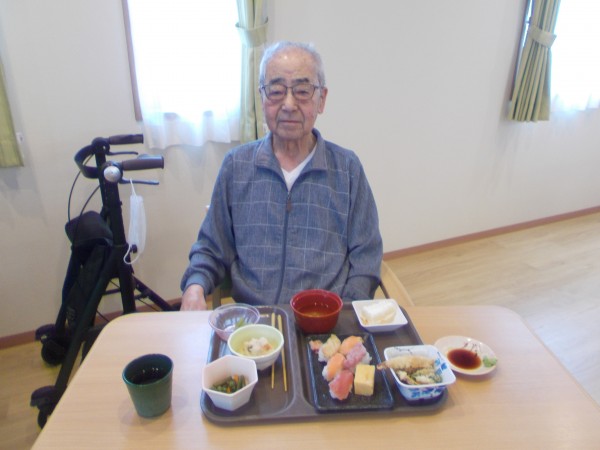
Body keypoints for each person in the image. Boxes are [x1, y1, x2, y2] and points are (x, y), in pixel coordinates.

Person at [180, 41, 382, 311]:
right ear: (262, 97)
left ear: (321, 99)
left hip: (324, 319)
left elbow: (366, 255)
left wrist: (346, 311)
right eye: (276, 91)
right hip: (253, 320)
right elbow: (211, 247)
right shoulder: (236, 167)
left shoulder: (347, 169)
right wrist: (194, 288)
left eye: (302, 91)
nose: (288, 104)